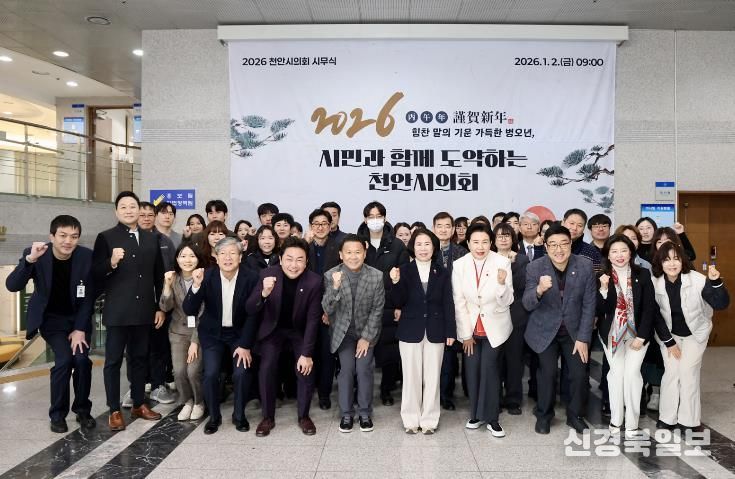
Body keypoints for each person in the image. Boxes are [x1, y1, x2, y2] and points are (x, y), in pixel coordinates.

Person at [6, 215, 96, 433]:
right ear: (52, 236)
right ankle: (57, 414)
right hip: (51, 320)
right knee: (64, 360)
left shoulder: (86, 256)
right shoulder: (37, 254)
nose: (68, 241)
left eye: (74, 236)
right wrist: (30, 260)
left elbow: (88, 297)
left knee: (82, 361)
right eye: (63, 235)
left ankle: (82, 410)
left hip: (78, 319)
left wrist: (80, 329)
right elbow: (12, 285)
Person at [92, 191, 165, 431]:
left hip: (144, 310)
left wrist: (159, 307)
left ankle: (138, 404)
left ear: (139, 210)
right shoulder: (106, 237)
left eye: (132, 206)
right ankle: (114, 409)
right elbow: (95, 273)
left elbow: (158, 276)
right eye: (123, 207)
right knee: (113, 361)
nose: (128, 210)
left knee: (140, 358)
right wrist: (111, 262)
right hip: (118, 311)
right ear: (116, 211)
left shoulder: (151, 238)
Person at [523, 223, 596, 435]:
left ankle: (575, 416)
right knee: (547, 374)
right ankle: (544, 415)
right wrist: (539, 290)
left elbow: (589, 304)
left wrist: (583, 338)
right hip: (544, 330)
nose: (559, 249)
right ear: (545, 246)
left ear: (571, 244)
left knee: (579, 375)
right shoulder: (535, 267)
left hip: (574, 331)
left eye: (563, 243)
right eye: (553, 244)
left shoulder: (584, 266)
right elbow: (527, 303)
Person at [246, 237, 323, 436]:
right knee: (267, 367)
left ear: (306, 262)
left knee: (305, 369)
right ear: (280, 259)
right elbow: (250, 308)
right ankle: (267, 417)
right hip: (273, 330)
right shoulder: (267, 274)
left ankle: (304, 416)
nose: (293, 265)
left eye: (299, 260)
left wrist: (306, 354)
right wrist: (264, 293)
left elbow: (313, 320)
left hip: (299, 331)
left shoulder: (314, 281)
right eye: (289, 259)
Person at [651, 242, 729, 432]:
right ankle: (667, 418)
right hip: (669, 335)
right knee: (671, 373)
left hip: (695, 333)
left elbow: (721, 304)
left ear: (683, 260)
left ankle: (689, 421)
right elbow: (655, 316)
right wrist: (669, 342)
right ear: (660, 263)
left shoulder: (698, 280)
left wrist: (716, 282)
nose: (672, 264)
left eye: (676, 259)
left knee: (687, 372)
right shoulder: (655, 282)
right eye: (666, 260)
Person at [183, 237, 259, 434]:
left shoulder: (251, 277)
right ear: (215, 257)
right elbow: (189, 309)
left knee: (241, 373)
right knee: (210, 374)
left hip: (239, 334)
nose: (227, 258)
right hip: (212, 334)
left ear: (240, 257)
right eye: (223, 253)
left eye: (233, 253)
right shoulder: (206, 276)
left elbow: (254, 314)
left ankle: (239, 415)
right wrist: (196, 286)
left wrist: (245, 344)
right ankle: (214, 417)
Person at [388, 229, 455, 434]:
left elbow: (448, 303)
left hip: (436, 330)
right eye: (419, 244)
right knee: (411, 377)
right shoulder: (403, 270)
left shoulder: (442, 272)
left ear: (434, 247)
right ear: (412, 247)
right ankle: (410, 420)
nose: (423, 248)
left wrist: (451, 331)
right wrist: (395, 282)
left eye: (427, 244)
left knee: (433, 378)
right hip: (410, 330)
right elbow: (397, 301)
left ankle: (429, 421)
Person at [453, 223, 513, 438]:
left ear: (491, 243)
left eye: (485, 242)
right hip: (470, 327)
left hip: (495, 326)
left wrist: (501, 284)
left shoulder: (502, 262)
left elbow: (508, 300)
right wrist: (465, 335)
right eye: (476, 242)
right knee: (472, 371)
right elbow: (459, 301)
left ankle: (492, 418)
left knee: (490, 370)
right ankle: (476, 415)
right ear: (468, 243)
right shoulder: (459, 265)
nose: (480, 247)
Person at [596, 234, 659, 437]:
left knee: (632, 375)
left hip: (637, 335)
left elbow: (649, 308)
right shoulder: (601, 276)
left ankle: (632, 422)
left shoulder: (643, 274)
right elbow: (599, 309)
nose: (619, 255)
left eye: (623, 250)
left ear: (631, 252)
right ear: (608, 255)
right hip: (612, 334)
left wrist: (642, 336)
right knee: (616, 375)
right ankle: (616, 420)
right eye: (614, 251)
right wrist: (603, 289)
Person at [322, 234, 385, 433]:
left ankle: (365, 412)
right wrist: (335, 287)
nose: (353, 256)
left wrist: (366, 338)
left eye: (358, 252)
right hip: (344, 334)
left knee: (364, 368)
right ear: (341, 255)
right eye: (348, 252)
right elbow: (327, 308)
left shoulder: (376, 276)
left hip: (366, 332)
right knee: (347, 370)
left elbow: (377, 310)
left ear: (365, 253)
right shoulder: (331, 275)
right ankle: (346, 414)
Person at [357, 201, 410, 406]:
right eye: (371, 217)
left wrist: (399, 305)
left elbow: (403, 277)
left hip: (390, 304)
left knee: (389, 351)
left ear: (385, 218)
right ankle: (360, 390)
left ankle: (386, 389)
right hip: (363, 305)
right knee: (362, 349)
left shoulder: (396, 245)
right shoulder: (357, 243)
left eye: (378, 216)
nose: (375, 220)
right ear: (365, 219)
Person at [159, 243, 206, 421]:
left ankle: (199, 402)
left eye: (192, 256)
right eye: (183, 256)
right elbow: (165, 307)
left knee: (193, 372)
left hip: (199, 332)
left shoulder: (203, 277)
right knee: (179, 372)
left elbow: (204, 312)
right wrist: (167, 286)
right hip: (178, 331)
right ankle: (187, 401)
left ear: (198, 259)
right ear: (177, 259)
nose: (187, 260)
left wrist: (195, 341)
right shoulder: (173, 277)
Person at [432, 211, 468, 410]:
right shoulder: (427, 249)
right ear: (433, 228)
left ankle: (446, 395)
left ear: (453, 229)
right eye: (439, 226)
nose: (443, 230)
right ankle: (431, 393)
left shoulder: (462, 252)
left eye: (447, 226)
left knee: (449, 355)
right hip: (432, 309)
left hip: (455, 309)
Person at [307, 209, 342, 410]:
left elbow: (342, 281)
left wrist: (329, 310)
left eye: (324, 223)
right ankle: (307, 388)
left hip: (331, 309)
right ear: (311, 226)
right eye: (316, 224)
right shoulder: (304, 247)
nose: (320, 227)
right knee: (309, 351)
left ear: (330, 226)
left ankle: (324, 394)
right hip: (307, 309)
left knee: (327, 354)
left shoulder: (338, 248)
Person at [493, 222, 529, 416]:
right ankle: (496, 399)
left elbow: (522, 287)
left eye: (507, 235)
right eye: (499, 236)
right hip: (494, 317)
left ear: (513, 239)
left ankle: (513, 400)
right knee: (495, 361)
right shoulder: (488, 259)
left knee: (515, 361)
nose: (503, 239)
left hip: (516, 317)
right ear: (494, 239)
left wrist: (511, 264)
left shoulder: (522, 260)